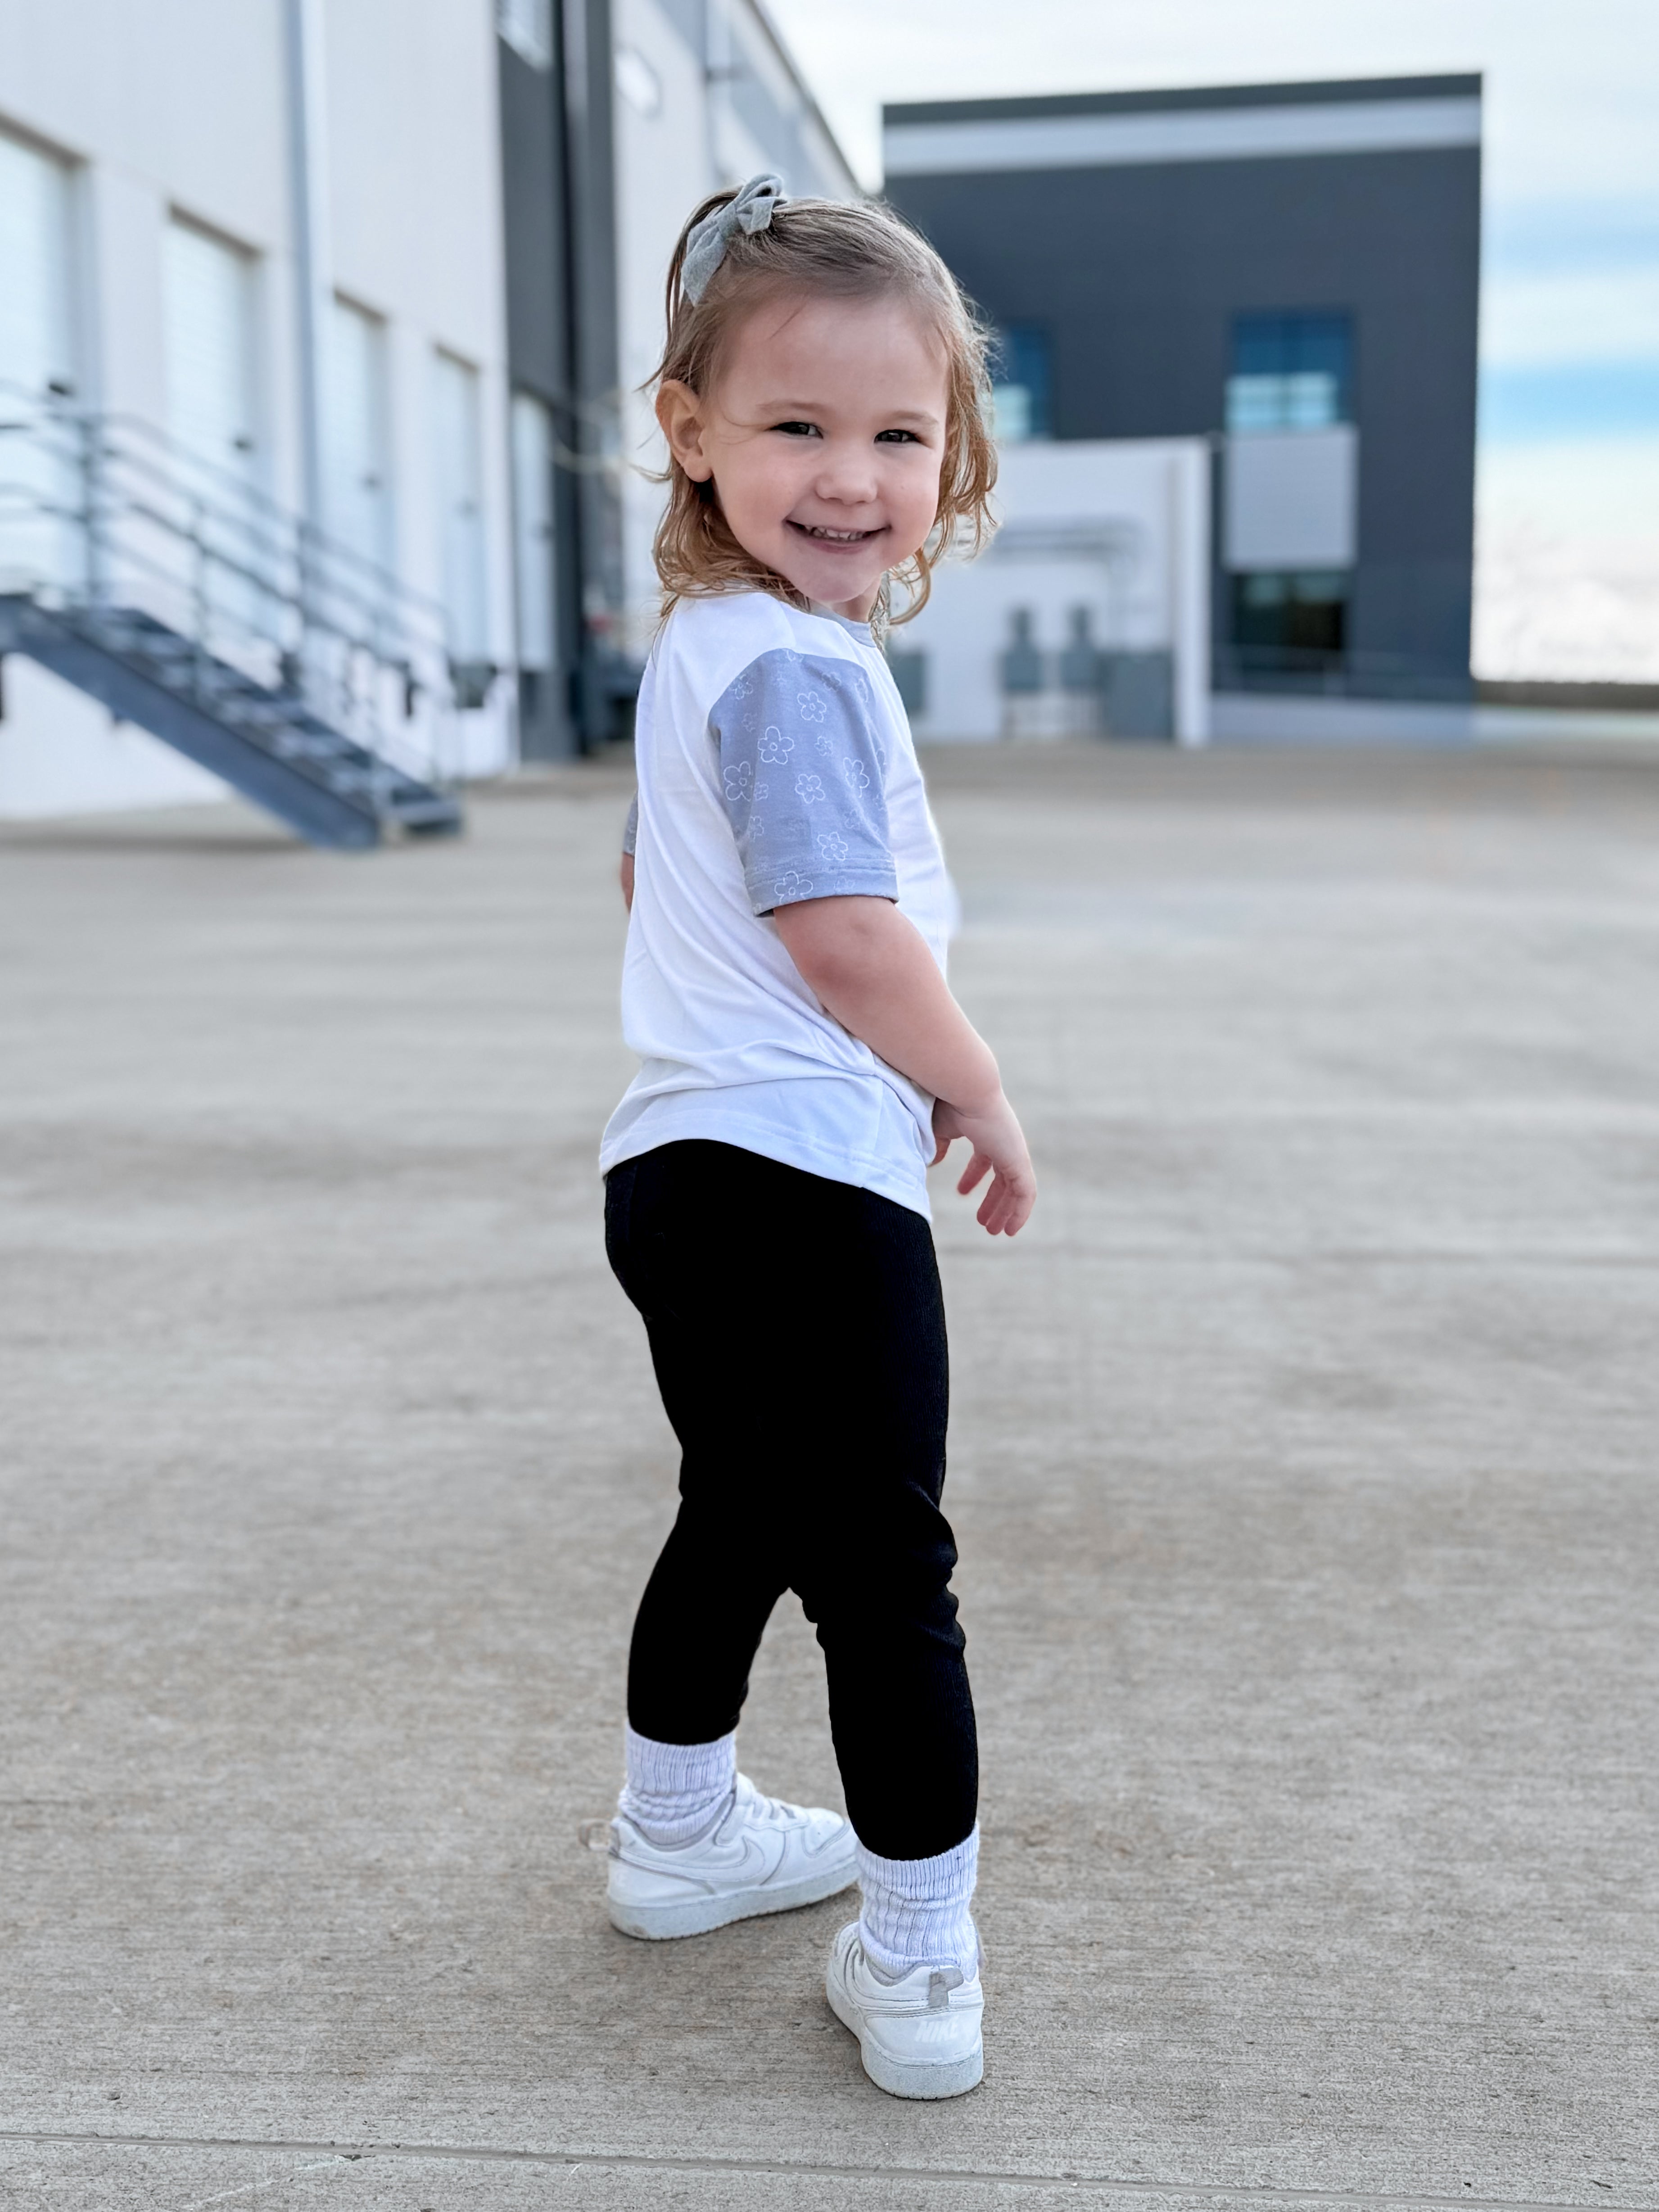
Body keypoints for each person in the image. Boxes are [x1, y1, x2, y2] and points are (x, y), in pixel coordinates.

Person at [598, 173, 1036, 2102]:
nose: (850, 475)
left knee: (743, 1506)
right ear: (690, 433)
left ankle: (677, 1830)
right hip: (799, 1180)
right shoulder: (790, 665)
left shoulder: (717, 650)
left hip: (679, 1166)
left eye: (894, 432)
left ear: (952, 458)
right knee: (886, 1579)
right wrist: (974, 1079)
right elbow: (846, 935)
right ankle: (921, 1952)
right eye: (794, 425)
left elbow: (644, 875)